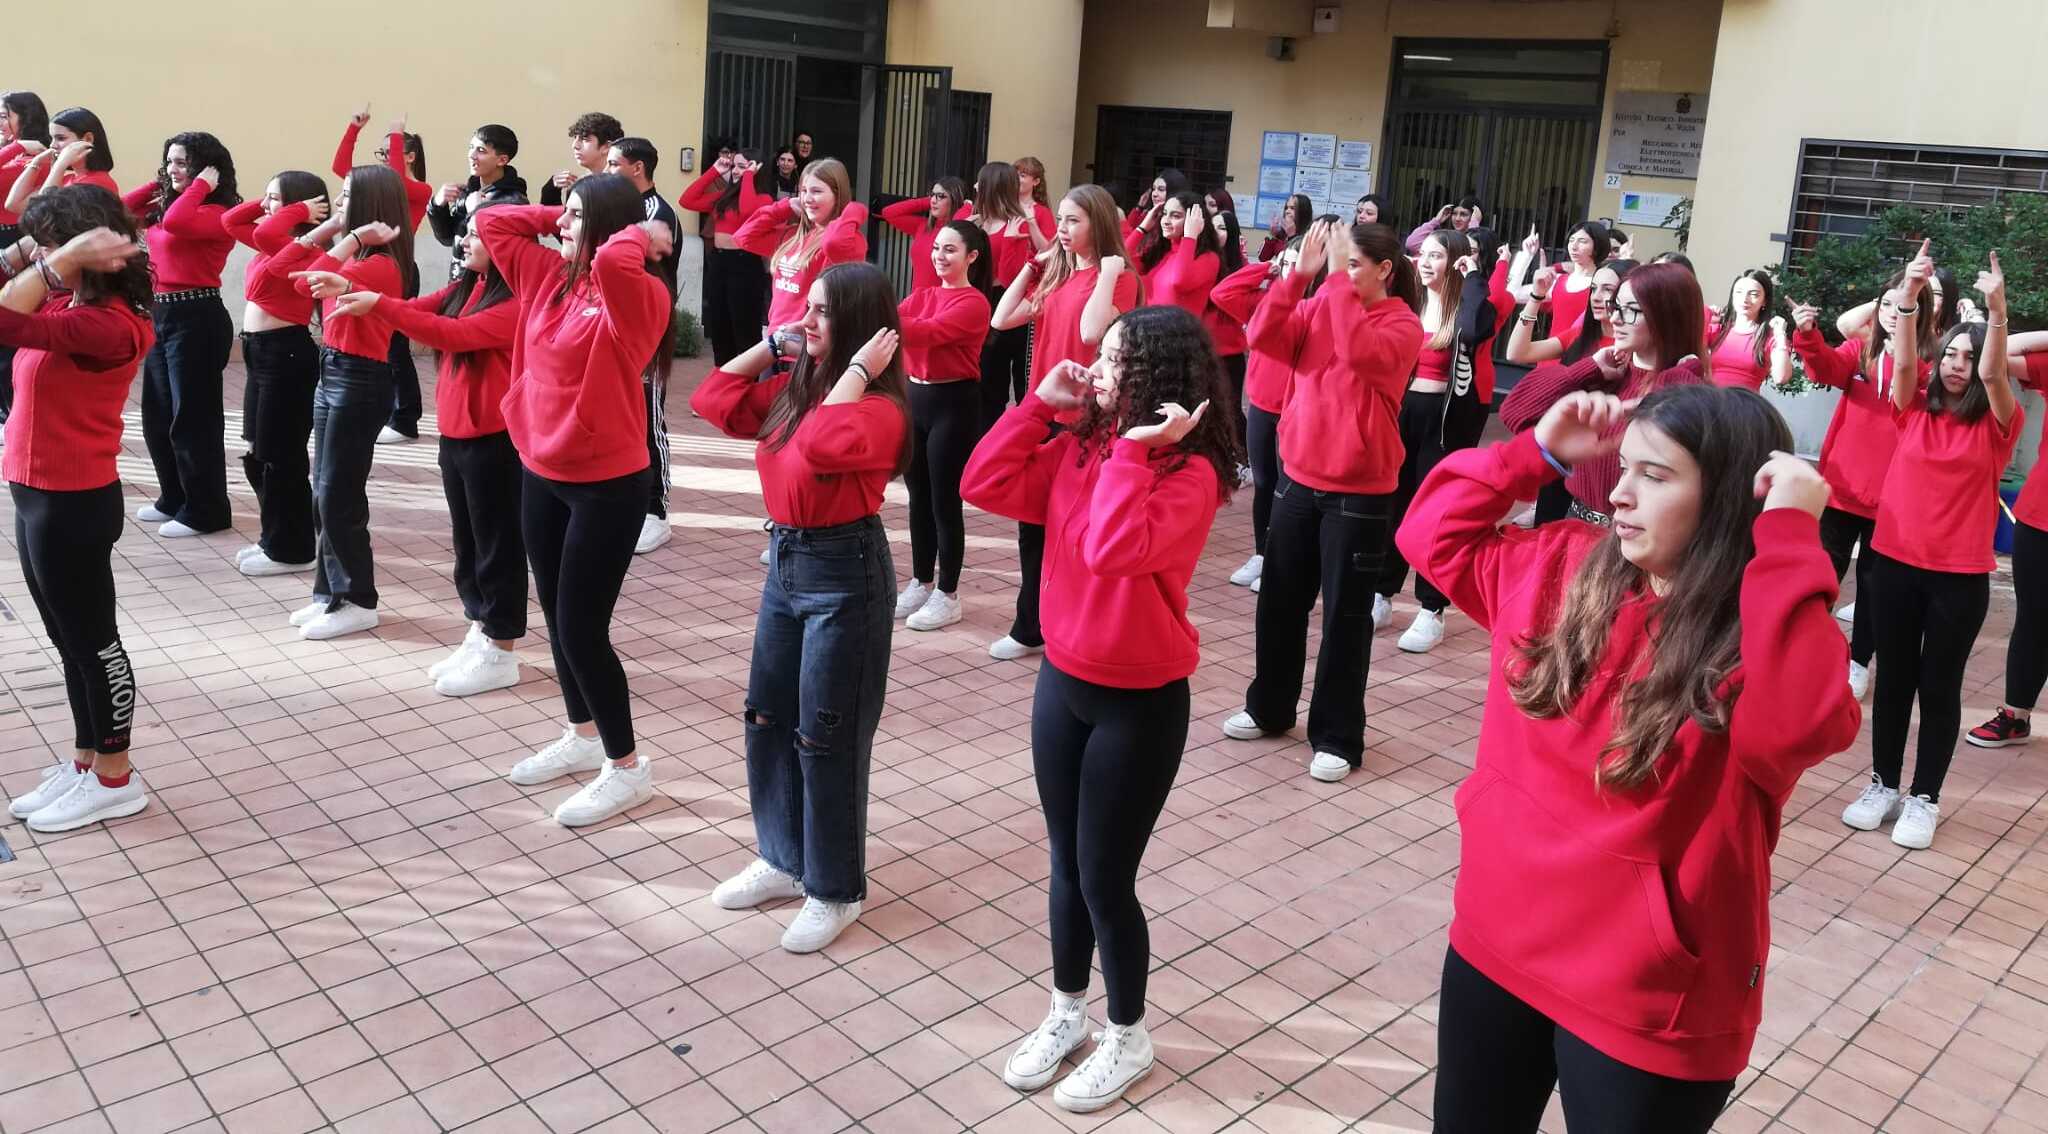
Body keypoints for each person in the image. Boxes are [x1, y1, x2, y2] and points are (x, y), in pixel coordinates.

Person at [1398, 385, 1859, 1134]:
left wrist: (1790, 541)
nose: (1619, 494)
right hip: (1497, 941)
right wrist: (1534, 453)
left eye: (1655, 475)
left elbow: (1801, 723)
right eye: (1624, 468)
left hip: (1647, 1003)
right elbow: (1430, 532)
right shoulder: (1561, 568)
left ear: (1727, 501)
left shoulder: (1755, 640)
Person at [963, 305, 1236, 1113]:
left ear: (1155, 380)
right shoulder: (1080, 445)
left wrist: (1129, 449)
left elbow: (1118, 551)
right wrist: (1039, 408)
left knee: (1106, 879)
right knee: (1063, 866)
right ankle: (1066, 1011)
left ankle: (1128, 1033)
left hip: (1141, 702)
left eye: (1115, 360)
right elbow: (982, 482)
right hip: (1065, 682)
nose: (1097, 368)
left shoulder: (1188, 475)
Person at [691, 262, 909, 954]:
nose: (806, 320)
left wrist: (854, 374)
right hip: (785, 566)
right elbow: (712, 397)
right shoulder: (796, 387)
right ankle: (783, 858)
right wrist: (773, 345)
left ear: (859, 328)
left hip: (845, 574)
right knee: (766, 717)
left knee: (827, 735)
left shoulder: (880, 409)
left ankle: (835, 888)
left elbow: (818, 446)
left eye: (821, 313)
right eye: (805, 309)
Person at [479, 177, 673, 827]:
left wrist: (630, 233)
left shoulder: (637, 292)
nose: (560, 225)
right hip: (541, 468)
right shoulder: (547, 278)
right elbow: (492, 224)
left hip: (608, 484)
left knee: (582, 629)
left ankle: (627, 769)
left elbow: (619, 261)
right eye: (561, 214)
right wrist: (565, 212)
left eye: (575, 218)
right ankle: (581, 734)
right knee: (558, 617)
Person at [1222, 222, 1423, 783]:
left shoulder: (1402, 324)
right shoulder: (1319, 304)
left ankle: (1337, 734)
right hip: (1298, 480)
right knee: (1280, 603)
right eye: (1343, 263)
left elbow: (1361, 352)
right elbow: (1262, 337)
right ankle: (1269, 706)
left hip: (1359, 493)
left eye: (1354, 263)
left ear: (1385, 269)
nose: (1344, 273)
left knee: (1345, 618)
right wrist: (1298, 279)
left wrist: (1331, 279)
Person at [1839, 246, 2018, 851]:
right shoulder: (1910, 409)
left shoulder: (1998, 425)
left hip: (1957, 579)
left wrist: (1996, 312)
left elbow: (1997, 375)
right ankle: (1882, 784)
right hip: (1891, 566)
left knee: (1938, 689)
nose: (1959, 367)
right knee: (1892, 682)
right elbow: (1906, 363)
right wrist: (1910, 298)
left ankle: (1925, 797)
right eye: (1952, 357)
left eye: (1968, 359)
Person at [0, 188, 157, 833]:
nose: (35, 252)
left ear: (76, 252)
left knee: (94, 644)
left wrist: (49, 263)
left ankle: (117, 777)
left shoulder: (106, 323)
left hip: (72, 501)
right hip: (35, 492)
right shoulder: (72, 300)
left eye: (48, 241)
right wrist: (38, 254)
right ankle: (87, 761)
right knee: (69, 640)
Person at [331, 206, 526, 697]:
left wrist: (377, 302)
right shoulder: (468, 288)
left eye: (476, 236)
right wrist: (362, 297)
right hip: (458, 438)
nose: (463, 243)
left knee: (496, 547)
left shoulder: (516, 301)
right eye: (465, 234)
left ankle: (501, 649)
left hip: (495, 442)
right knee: (468, 546)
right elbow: (421, 310)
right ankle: (480, 628)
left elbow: (449, 334)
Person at [988, 184, 1138, 661]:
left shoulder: (1122, 280)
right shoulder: (1056, 274)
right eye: (1061, 220)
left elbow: (1093, 332)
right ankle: (1028, 625)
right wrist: (1033, 266)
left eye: (1073, 220)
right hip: (1045, 414)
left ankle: (1071, 625)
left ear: (1098, 223)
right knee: (1032, 525)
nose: (1063, 229)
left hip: (1087, 423)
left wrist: (1110, 270)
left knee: (1075, 530)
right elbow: (1001, 319)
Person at [273, 166, 415, 641]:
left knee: (338, 494)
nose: (338, 198)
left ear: (372, 205)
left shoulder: (381, 265)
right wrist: (340, 229)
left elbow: (305, 283)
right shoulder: (361, 255)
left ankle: (357, 598)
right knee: (323, 490)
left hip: (360, 380)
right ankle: (329, 595)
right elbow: (285, 277)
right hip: (332, 372)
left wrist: (348, 237)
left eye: (348, 194)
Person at [1788, 268, 1936, 700]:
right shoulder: (1859, 350)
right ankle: (1805, 654)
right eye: (1884, 304)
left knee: (1875, 586)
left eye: (1900, 305)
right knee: (1821, 576)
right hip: (1841, 488)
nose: (1891, 313)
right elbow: (1823, 368)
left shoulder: (1927, 360)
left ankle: (1858, 662)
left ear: (1919, 311)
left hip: (1893, 497)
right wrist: (1809, 335)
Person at [1499, 262, 1710, 524]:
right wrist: (1587, 369)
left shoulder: (1688, 389)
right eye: (1617, 307)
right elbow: (1514, 412)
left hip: (1634, 540)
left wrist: (1680, 378)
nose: (1616, 318)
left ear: (1668, 316)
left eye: (1632, 310)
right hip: (1575, 522)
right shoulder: (1610, 374)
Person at [1377, 229, 1498, 654]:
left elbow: (1475, 328)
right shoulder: (1408, 304)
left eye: (1437, 257)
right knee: (1395, 502)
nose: (1425, 263)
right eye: (1421, 255)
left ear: (1457, 263)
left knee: (1437, 513)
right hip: (1402, 416)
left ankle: (1432, 608)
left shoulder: (1468, 309)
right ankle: (1383, 592)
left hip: (1446, 425)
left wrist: (1474, 279)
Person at [122, 132, 237, 538]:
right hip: (161, 314)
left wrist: (202, 183)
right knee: (157, 416)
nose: (174, 170)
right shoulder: (170, 202)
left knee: (193, 419)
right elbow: (120, 210)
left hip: (198, 316)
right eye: (170, 161)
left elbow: (177, 222)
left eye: (184, 163)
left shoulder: (219, 211)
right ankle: (174, 496)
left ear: (208, 168)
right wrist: (162, 182)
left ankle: (206, 510)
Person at [1211, 220, 1333, 592]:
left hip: (1296, 410)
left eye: (1302, 262)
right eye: (1289, 260)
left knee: (1288, 487)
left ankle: (1283, 558)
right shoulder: (1267, 301)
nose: (1293, 267)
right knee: (1264, 483)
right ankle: (1263, 553)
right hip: (1262, 405)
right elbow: (1222, 293)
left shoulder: (1319, 308)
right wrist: (1269, 266)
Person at [221, 170, 330, 576]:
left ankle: (293, 549)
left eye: (274, 201)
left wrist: (299, 210)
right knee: (256, 454)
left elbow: (267, 235)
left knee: (280, 457)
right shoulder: (276, 241)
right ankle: (275, 537)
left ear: (302, 207)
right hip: (259, 355)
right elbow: (230, 222)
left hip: (286, 356)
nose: (266, 209)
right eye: (265, 200)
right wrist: (268, 200)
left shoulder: (303, 249)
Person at [894, 220, 993, 631]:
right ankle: (921, 580)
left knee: (944, 500)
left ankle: (948, 594)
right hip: (916, 398)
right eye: (937, 248)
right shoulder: (923, 294)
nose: (940, 256)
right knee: (917, 496)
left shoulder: (974, 303)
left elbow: (925, 334)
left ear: (972, 256)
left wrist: (877, 316)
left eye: (950, 250)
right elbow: (899, 322)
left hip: (953, 402)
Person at [332, 106, 432, 444]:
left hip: (397, 266)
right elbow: (341, 169)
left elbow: (399, 178)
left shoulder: (419, 189)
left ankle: (405, 418)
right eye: (384, 152)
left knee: (395, 345)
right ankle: (390, 412)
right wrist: (353, 128)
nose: (385, 158)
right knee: (379, 342)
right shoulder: (386, 185)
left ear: (410, 155)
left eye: (390, 152)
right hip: (370, 259)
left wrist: (395, 132)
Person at [605, 136, 684, 555]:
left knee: (650, 415)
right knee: (625, 413)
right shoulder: (621, 209)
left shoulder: (657, 214)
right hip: (618, 327)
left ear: (637, 168)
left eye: (613, 162)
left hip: (648, 328)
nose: (606, 169)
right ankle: (630, 503)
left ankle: (657, 511)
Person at [735, 157, 870, 349]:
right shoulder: (792, 234)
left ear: (837, 195)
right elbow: (744, 237)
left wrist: (854, 210)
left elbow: (834, 243)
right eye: (804, 191)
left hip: (810, 350)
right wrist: (784, 206)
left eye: (816, 191)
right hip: (776, 344)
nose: (807, 199)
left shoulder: (849, 241)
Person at [680, 149, 775, 364]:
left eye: (743, 166)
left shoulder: (763, 198)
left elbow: (747, 210)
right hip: (719, 262)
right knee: (720, 325)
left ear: (756, 169)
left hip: (745, 264)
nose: (736, 171)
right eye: (735, 166)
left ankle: (746, 382)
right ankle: (722, 376)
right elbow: (688, 200)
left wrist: (748, 176)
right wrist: (714, 171)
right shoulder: (724, 197)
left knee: (743, 326)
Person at [970, 161, 1042, 426]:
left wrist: (1012, 240)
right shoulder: (977, 221)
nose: (976, 187)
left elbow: (1010, 277)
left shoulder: (1017, 223)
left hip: (1009, 301)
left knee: (1021, 381)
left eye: (981, 183)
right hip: (981, 301)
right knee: (987, 379)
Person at [0, 91, 52, 426]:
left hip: (17, 238)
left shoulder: (38, 155)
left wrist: (20, 148)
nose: (0, 122)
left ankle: (12, 409)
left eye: (6, 115)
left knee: (11, 321)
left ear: (26, 117)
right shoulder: (15, 151)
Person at [426, 124, 527, 257]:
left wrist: (478, 211)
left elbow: (502, 250)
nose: (472, 155)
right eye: (471, 147)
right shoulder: (468, 192)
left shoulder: (514, 201)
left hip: (490, 277)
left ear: (502, 160)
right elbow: (448, 238)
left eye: (481, 150)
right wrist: (437, 206)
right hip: (462, 275)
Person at [2, 107, 119, 216]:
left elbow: (41, 213)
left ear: (88, 139)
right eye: (52, 138)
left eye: (61, 138)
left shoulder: (98, 182)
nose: (52, 145)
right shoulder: (67, 179)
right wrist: (36, 163)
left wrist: (60, 165)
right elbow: (13, 205)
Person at [1135, 193, 1221, 317]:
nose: (1165, 221)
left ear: (1193, 221)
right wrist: (1142, 228)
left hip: (1177, 334)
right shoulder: (1161, 252)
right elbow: (1123, 261)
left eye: (1175, 216)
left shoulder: (1209, 258)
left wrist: (1190, 237)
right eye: (1164, 214)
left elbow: (1180, 281)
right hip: (1146, 330)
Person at [877, 176, 968, 294]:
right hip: (917, 299)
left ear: (955, 200)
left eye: (941, 196)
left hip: (943, 301)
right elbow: (888, 213)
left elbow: (958, 226)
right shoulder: (923, 226)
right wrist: (927, 201)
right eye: (932, 195)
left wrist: (966, 207)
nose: (934, 200)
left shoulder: (959, 231)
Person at [1707, 270, 1792, 391]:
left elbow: (1781, 377)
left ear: (1764, 301)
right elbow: (1681, 346)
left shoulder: (1770, 337)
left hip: (1746, 406)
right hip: (1710, 403)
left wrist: (1781, 336)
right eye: (1739, 292)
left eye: (1753, 294)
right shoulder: (1718, 329)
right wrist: (1705, 314)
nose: (1745, 299)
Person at [540, 111, 622, 208]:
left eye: (585, 139)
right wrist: (551, 191)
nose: (575, 145)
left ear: (606, 146)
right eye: (575, 138)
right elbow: (563, 221)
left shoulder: (623, 188)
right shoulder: (579, 186)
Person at [1404, 194, 1481, 253]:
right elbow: (1411, 243)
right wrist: (1436, 221)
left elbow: (1469, 252)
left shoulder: (1482, 240)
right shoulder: (1446, 238)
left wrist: (1474, 226)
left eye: (1463, 214)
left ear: (1474, 216)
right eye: (1454, 213)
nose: (1457, 219)